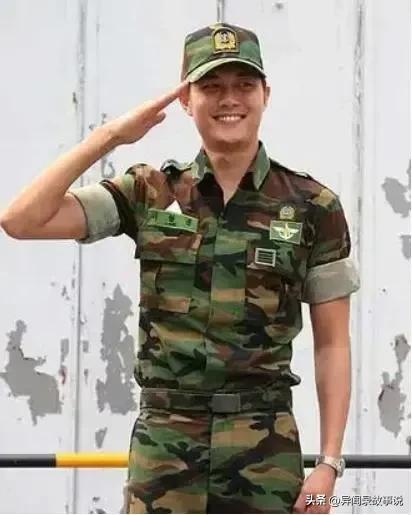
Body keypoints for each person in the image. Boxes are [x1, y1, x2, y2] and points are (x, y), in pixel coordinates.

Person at [1, 22, 360, 514]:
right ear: (187, 100)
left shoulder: (312, 206)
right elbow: (21, 220)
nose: (229, 99)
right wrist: (111, 136)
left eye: (244, 85)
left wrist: (329, 463)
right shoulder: (149, 191)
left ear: (265, 94)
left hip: (265, 449)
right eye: (211, 86)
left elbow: (333, 344)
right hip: (165, 448)